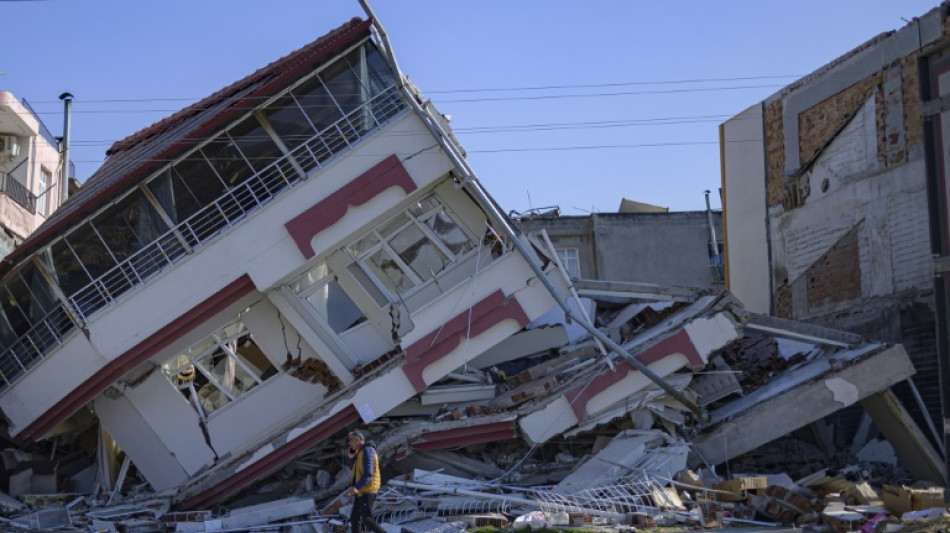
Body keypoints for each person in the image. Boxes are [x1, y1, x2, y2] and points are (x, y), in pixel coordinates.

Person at [346, 430, 386, 533]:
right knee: (355, 519)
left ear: (358, 440)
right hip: (362, 490)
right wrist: (351, 455)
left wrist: (356, 487)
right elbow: (356, 470)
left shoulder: (367, 451)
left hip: (367, 489)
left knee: (367, 520)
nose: (349, 443)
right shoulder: (360, 452)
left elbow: (368, 473)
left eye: (351, 440)